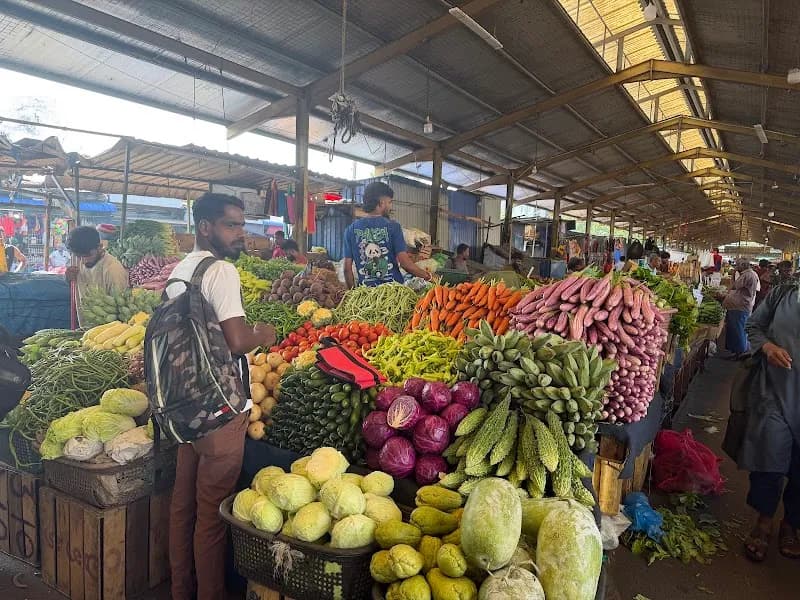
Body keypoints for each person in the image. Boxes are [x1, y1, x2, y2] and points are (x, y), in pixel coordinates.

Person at [165, 193, 276, 600]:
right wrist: (264, 333)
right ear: (205, 227)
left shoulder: (181, 270)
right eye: (231, 225)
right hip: (220, 409)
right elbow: (236, 341)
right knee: (211, 516)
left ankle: (181, 590)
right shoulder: (221, 271)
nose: (240, 233)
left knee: (183, 507)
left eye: (242, 225)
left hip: (184, 408)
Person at [740, 283, 800, 561]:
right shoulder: (783, 294)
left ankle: (791, 524)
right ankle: (764, 521)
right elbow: (753, 325)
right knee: (769, 458)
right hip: (775, 390)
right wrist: (768, 347)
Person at [343, 181, 433, 288]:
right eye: (389, 202)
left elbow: (347, 269)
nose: (390, 206)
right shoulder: (393, 227)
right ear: (381, 203)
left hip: (366, 292)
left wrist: (353, 293)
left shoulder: (350, 230)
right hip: (393, 291)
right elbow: (405, 264)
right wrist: (429, 277)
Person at [65, 227, 129, 325]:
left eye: (88, 256)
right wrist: (68, 278)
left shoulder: (113, 270)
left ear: (100, 247)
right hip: (84, 327)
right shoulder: (78, 258)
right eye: (79, 256)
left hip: (106, 331)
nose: (83, 261)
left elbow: (121, 310)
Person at [722, 258, 760, 358]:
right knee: (738, 330)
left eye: (737, 265)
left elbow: (735, 286)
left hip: (740, 307)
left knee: (738, 330)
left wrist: (734, 274)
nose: (736, 267)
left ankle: (740, 353)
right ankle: (738, 351)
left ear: (743, 266)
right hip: (740, 306)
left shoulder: (747, 275)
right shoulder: (749, 274)